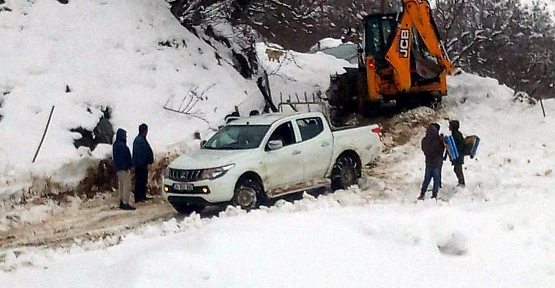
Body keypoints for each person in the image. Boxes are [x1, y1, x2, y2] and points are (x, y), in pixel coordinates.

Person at [418, 123, 445, 200]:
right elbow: (441, 150)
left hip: (428, 162)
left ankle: (422, 193)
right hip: (437, 163)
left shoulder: (424, 140)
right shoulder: (438, 141)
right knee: (436, 179)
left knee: (427, 179)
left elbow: (425, 150)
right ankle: (434, 195)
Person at [112, 129, 136, 210]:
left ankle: (121, 201)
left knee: (121, 185)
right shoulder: (122, 146)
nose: (126, 137)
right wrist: (128, 166)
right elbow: (125, 157)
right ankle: (125, 202)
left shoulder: (116, 145)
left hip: (119, 168)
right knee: (126, 186)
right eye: (125, 135)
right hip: (124, 168)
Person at [133, 123, 154, 203]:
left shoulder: (142, 139)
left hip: (143, 164)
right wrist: (142, 162)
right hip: (140, 165)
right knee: (140, 181)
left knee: (143, 181)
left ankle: (142, 196)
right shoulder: (139, 140)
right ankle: (138, 197)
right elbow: (139, 153)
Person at [449, 120, 465, 187]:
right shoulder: (456, 134)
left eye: (450, 125)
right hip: (458, 154)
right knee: (457, 169)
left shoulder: (456, 135)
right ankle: (461, 182)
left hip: (458, 155)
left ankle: (461, 183)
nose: (449, 126)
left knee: (458, 169)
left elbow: (459, 145)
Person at [430, 122, 443, 188]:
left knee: (428, 176)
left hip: (430, 161)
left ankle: (423, 192)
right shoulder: (438, 140)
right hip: (438, 160)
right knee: (437, 175)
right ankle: (437, 186)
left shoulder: (428, 139)